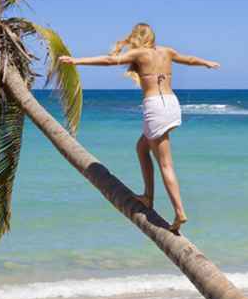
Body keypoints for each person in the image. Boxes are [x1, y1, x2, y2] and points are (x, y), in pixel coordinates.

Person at [59, 23, 220, 232]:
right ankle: (148, 197)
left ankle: (179, 211)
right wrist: (206, 63)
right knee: (142, 148)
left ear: (137, 37)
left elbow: (108, 61)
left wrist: (76, 61)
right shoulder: (166, 51)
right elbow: (188, 59)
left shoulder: (139, 54)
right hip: (171, 104)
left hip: (156, 107)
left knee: (165, 164)